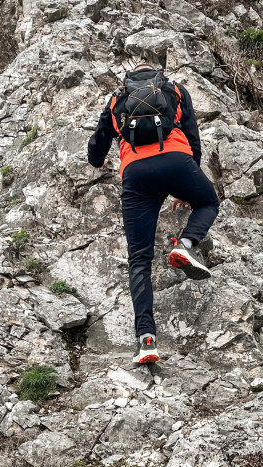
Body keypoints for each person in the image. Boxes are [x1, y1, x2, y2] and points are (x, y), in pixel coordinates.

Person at [87, 63, 220, 364]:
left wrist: (97, 160)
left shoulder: (116, 99)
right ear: (155, 74)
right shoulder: (174, 89)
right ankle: (185, 245)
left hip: (136, 174)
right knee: (209, 202)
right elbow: (192, 136)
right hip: (177, 160)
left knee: (139, 259)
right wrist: (186, 187)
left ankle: (146, 340)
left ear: (130, 78)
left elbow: (97, 146)